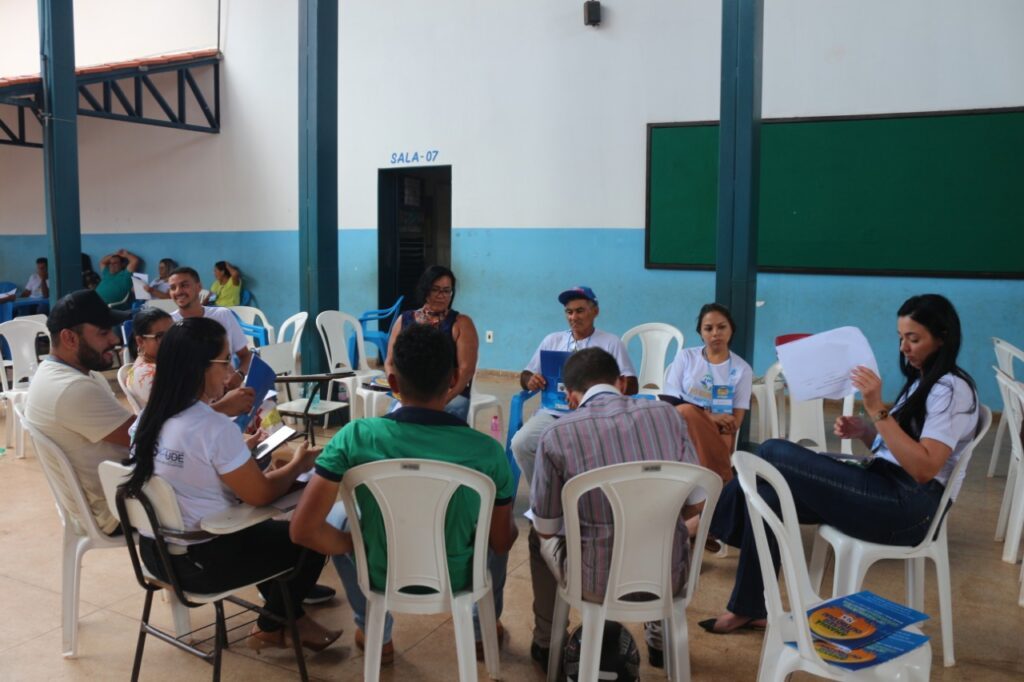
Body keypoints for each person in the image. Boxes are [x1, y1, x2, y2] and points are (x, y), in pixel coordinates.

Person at [702, 294, 980, 634]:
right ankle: (747, 608)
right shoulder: (924, 381)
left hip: (910, 508)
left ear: (942, 338)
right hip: (885, 485)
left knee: (773, 450)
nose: (904, 348)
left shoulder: (952, 390)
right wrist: (866, 432)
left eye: (914, 339)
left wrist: (877, 410)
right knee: (767, 495)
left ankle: (703, 524)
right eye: (900, 337)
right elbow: (900, 449)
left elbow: (924, 468)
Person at [290, 324, 518, 664]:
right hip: (458, 579)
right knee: (495, 525)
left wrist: (356, 544)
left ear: (393, 383)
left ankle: (375, 632)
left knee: (340, 516)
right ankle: (480, 631)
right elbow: (500, 542)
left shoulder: (356, 436)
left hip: (380, 573)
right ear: (455, 379)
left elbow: (303, 530)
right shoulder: (487, 451)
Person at [123, 316, 341, 651]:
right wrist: (297, 464)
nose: (231, 372)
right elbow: (261, 494)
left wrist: (240, 456)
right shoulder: (212, 427)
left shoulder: (146, 419)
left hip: (154, 554)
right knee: (308, 536)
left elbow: (190, 468)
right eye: (225, 361)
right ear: (199, 367)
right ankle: (270, 627)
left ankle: (293, 620)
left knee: (268, 536)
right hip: (200, 564)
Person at [529, 348, 704, 670]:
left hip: (594, 582)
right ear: (622, 383)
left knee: (535, 535)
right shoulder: (668, 416)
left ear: (570, 397)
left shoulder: (556, 434)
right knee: (669, 528)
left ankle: (546, 642)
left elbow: (547, 527)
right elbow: (696, 503)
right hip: (667, 577)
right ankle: (660, 642)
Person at [24, 290, 133, 534]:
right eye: (103, 333)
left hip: (109, 495)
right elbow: (145, 437)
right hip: (114, 509)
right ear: (70, 338)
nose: (114, 339)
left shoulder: (66, 373)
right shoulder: (71, 388)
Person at [511, 286, 638, 487]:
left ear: (595, 311)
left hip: (595, 415)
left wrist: (599, 387)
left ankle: (581, 495)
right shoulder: (553, 340)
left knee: (587, 452)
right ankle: (544, 494)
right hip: (553, 413)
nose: (573, 317)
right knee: (521, 444)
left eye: (580, 311)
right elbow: (526, 374)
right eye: (569, 312)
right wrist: (530, 380)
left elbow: (632, 385)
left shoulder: (610, 342)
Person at [659, 303, 753, 482]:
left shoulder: (742, 369)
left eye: (722, 327)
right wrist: (708, 416)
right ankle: (720, 484)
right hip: (681, 422)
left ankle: (711, 489)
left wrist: (713, 421)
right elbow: (670, 398)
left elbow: (735, 421)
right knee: (685, 411)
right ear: (700, 333)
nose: (715, 333)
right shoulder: (686, 357)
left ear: (731, 329)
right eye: (708, 328)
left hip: (719, 428)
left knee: (721, 437)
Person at [384, 265, 478, 421]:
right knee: (394, 424)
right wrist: (400, 393)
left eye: (447, 291)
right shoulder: (404, 320)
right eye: (436, 289)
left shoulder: (461, 323)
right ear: (425, 290)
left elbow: (466, 371)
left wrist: (444, 400)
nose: (441, 296)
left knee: (434, 426)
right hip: (409, 396)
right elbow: (389, 363)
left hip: (449, 395)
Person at [168, 266, 252, 380]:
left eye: (184, 285)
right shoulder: (169, 323)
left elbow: (245, 355)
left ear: (199, 287)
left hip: (226, 384)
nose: (178, 291)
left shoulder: (222, 315)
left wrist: (239, 375)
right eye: (173, 287)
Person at [123, 307, 174, 406]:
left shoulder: (162, 364)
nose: (171, 340)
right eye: (160, 336)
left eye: (173, 333)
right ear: (140, 341)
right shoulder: (146, 374)